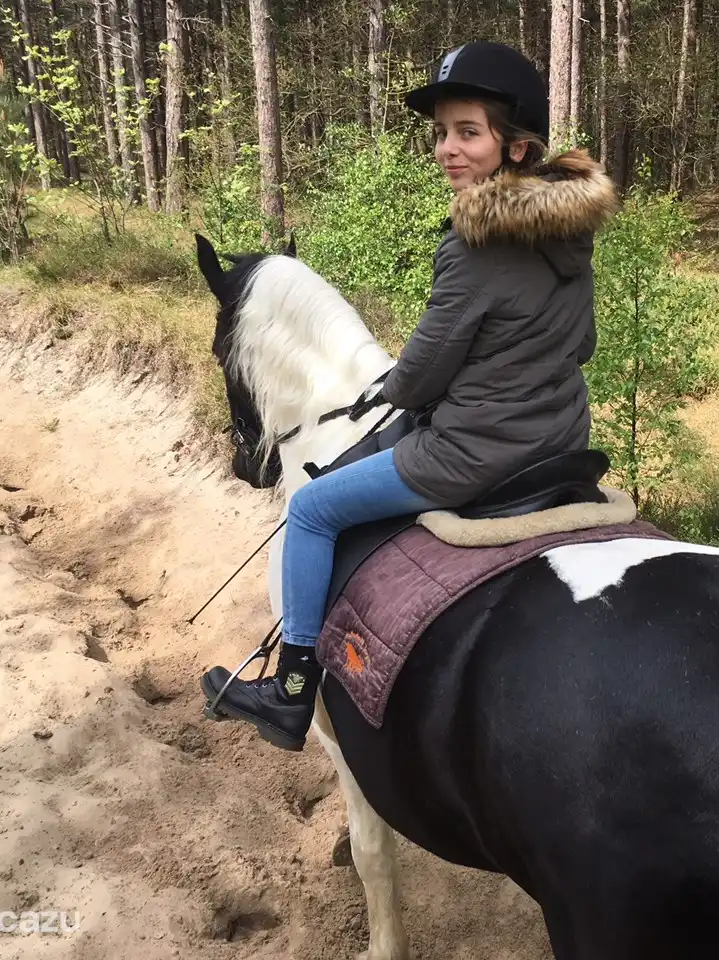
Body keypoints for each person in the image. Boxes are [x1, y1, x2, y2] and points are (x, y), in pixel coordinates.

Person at [201, 40, 620, 751]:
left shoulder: (473, 243)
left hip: (472, 456)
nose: (447, 150)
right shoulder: (569, 233)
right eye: (442, 132)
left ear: (516, 148)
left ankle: (290, 691)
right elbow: (581, 346)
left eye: (468, 132)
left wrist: (395, 388)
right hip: (559, 442)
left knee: (311, 509)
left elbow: (421, 377)